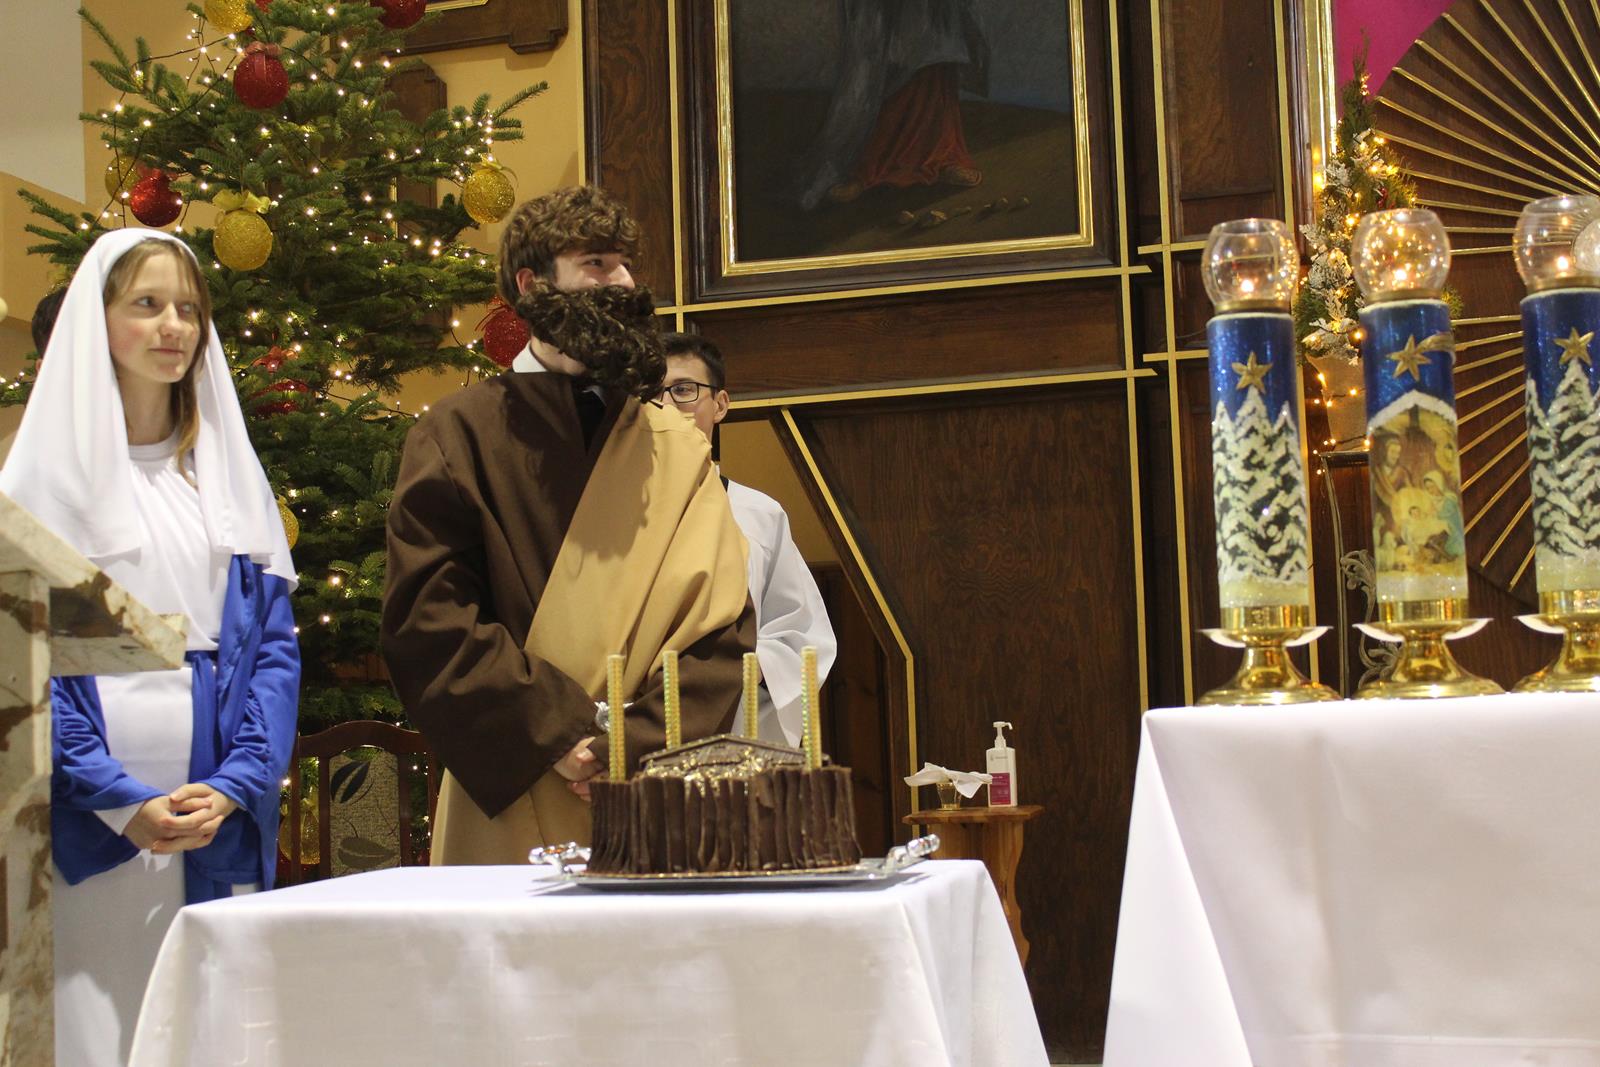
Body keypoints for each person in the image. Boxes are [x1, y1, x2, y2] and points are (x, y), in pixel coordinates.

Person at [382, 186, 755, 865]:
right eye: (596, 264)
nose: (623, 283)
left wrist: (635, 744)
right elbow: (429, 617)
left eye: (625, 265)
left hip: (650, 794)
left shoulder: (673, 444)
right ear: (533, 286)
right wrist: (558, 735)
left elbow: (722, 626)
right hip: (517, 775)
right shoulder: (457, 434)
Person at [0, 228, 300, 1067]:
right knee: (98, 1027)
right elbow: (21, 664)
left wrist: (236, 783)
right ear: (97, 322)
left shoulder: (225, 480)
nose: (174, 326)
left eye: (189, 309)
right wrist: (117, 798)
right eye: (147, 304)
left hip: (212, 810)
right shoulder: (36, 488)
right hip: (87, 822)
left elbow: (271, 652)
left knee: (209, 1031)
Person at [659, 332, 838, 746]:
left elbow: (803, 636)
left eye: (683, 390)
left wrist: (741, 668)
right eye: (652, 393)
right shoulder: (617, 515)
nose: (666, 405)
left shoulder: (758, 514)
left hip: (736, 726)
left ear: (720, 404)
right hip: (644, 723)